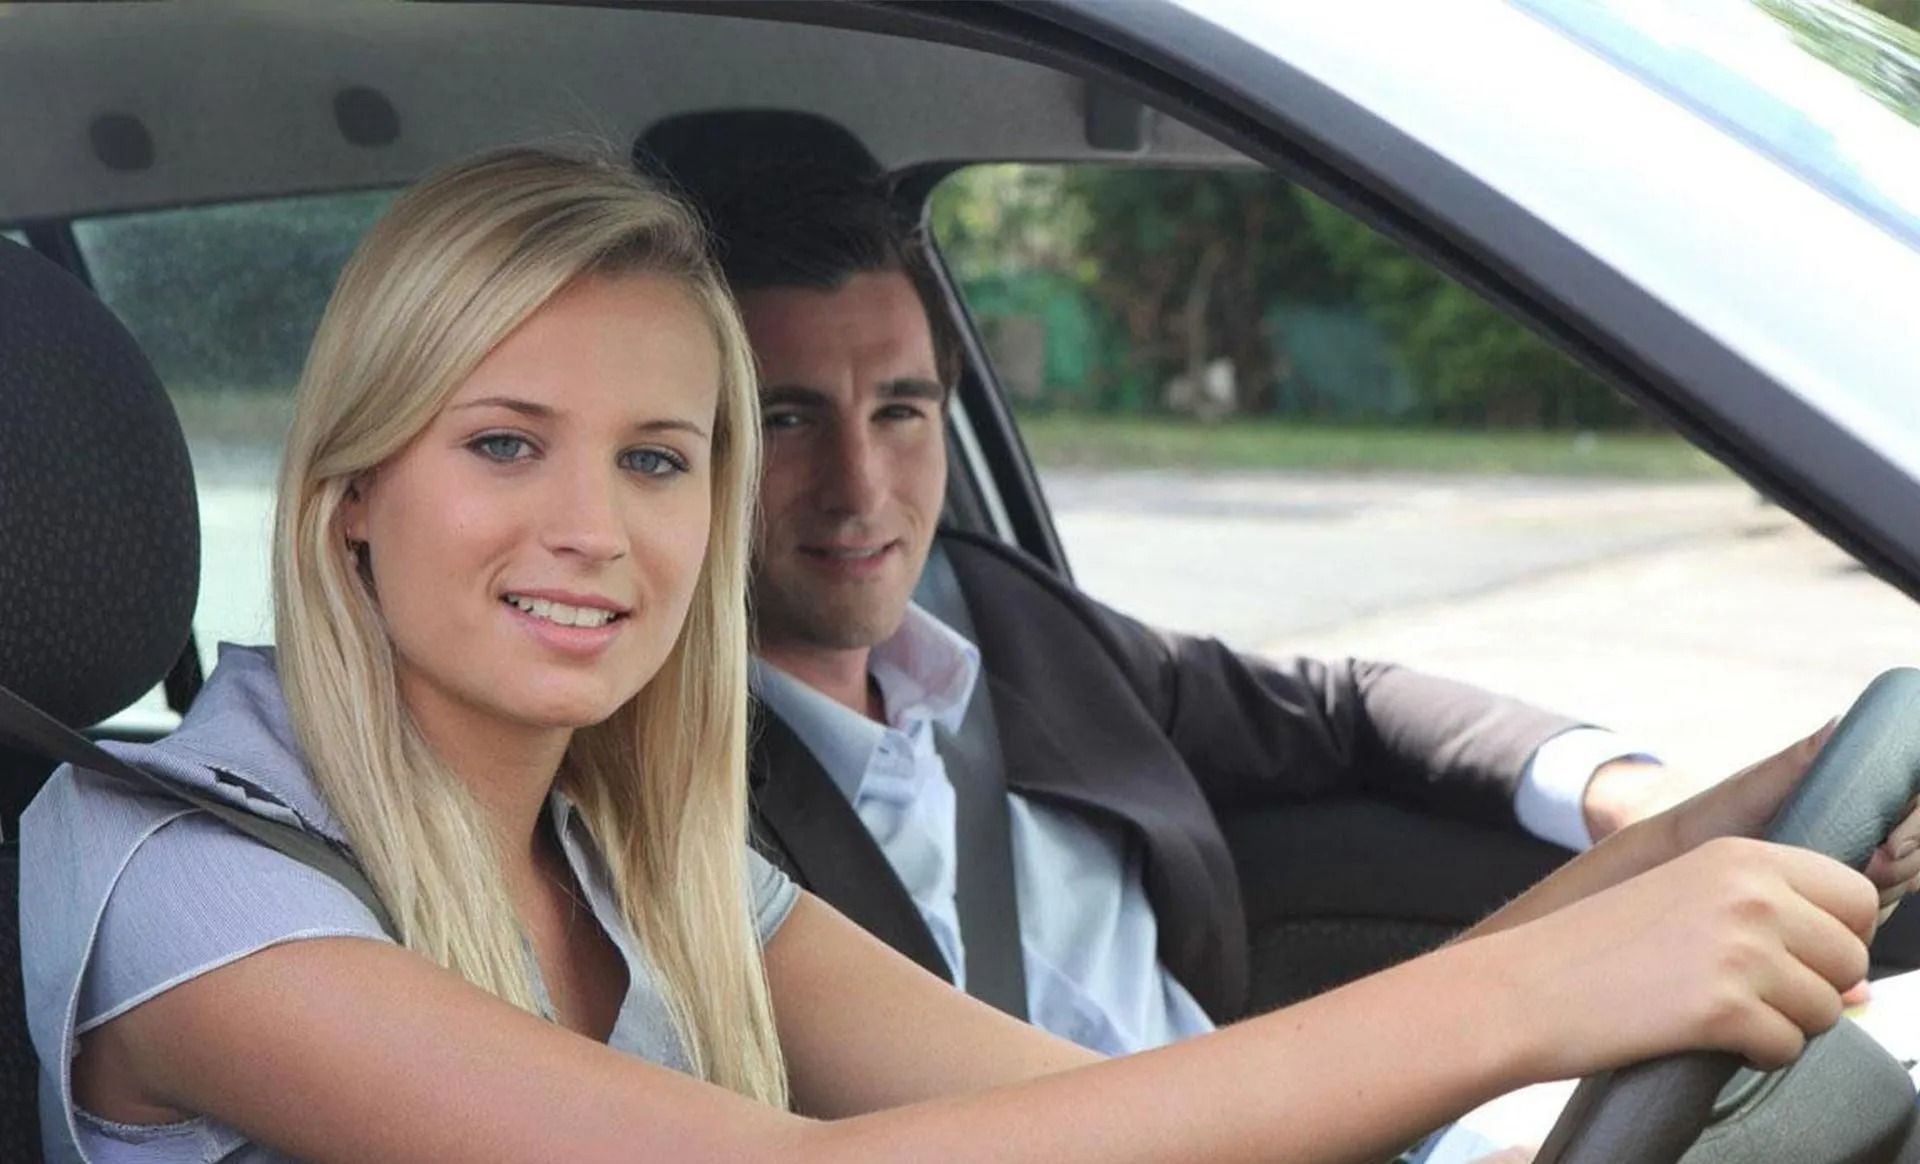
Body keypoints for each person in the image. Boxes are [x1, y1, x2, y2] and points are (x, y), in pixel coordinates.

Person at [19, 144, 1916, 1164]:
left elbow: (1072, 1105)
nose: (595, 526)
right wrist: (1549, 995)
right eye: (504, 441)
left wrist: (1696, 843)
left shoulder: (643, 860)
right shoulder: (190, 889)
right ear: (351, 486)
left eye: (661, 457)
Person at [695, 167, 1733, 1044]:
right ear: (695, 442)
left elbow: (1340, 707)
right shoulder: (676, 798)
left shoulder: (1005, 615)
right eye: (788, 419)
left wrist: (1615, 790)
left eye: (900, 412)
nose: (861, 488)